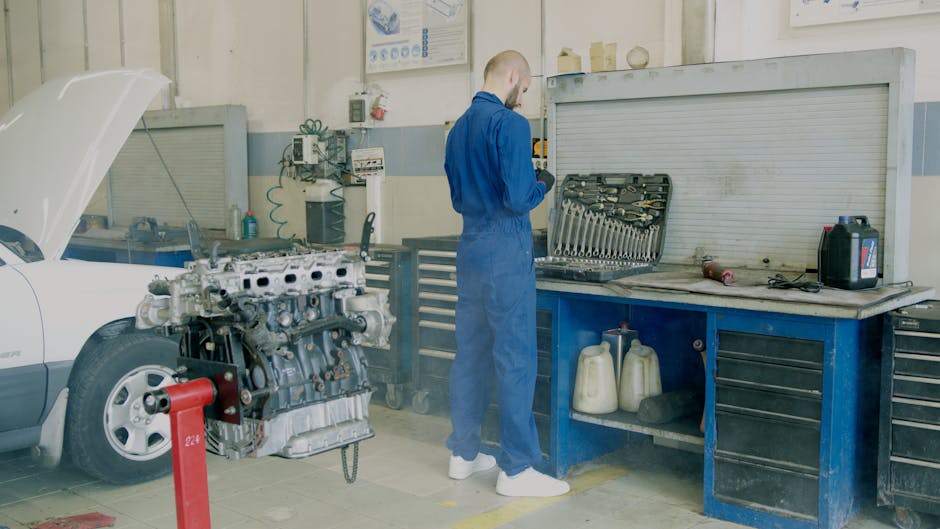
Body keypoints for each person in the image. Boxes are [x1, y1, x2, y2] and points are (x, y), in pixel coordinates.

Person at [443, 50, 567, 497]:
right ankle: (516, 470)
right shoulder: (512, 125)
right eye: (526, 88)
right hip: (505, 250)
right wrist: (544, 182)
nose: (524, 97)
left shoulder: (457, 128)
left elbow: (458, 198)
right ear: (513, 76)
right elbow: (518, 198)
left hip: (470, 247)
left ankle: (463, 454)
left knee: (471, 353)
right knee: (515, 358)